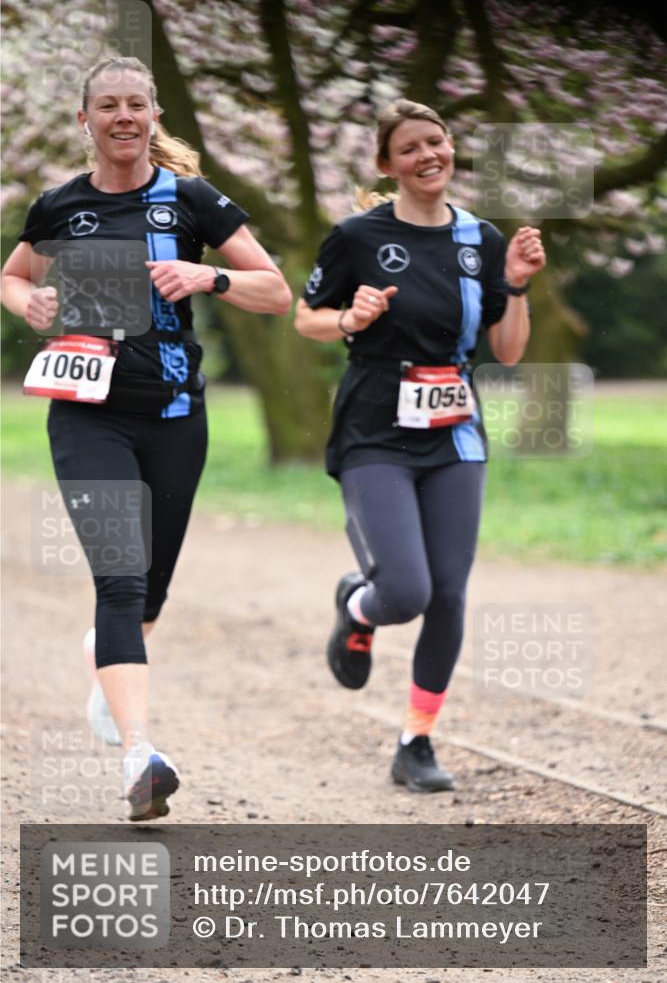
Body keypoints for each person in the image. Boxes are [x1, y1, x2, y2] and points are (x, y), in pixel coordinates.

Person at [1, 56, 291, 820]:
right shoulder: (59, 206)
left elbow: (276, 290)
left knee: (151, 586)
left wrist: (209, 280)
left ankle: (107, 661)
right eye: (107, 105)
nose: (123, 116)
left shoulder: (190, 200)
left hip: (173, 415)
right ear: (84, 120)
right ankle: (141, 756)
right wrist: (28, 302)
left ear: (154, 116)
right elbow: (13, 275)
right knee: (121, 578)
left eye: (136, 104)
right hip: (87, 412)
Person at [295, 99, 545, 792]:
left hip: (455, 427)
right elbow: (304, 317)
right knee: (404, 590)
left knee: (450, 595)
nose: (427, 155)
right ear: (387, 164)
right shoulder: (355, 236)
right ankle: (357, 605)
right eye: (409, 148)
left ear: (450, 147)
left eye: (435, 142)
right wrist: (349, 315)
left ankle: (416, 741)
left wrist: (517, 285)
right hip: (376, 424)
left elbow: (507, 349)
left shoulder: (481, 239)